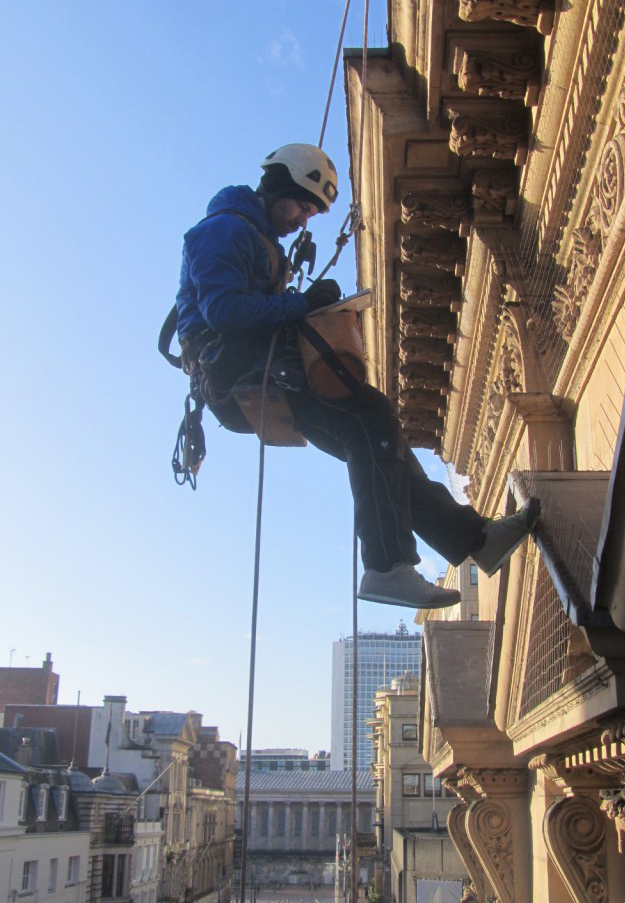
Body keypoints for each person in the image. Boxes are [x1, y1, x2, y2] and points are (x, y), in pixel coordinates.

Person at [176, 143, 540, 608]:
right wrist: (300, 304)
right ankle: (388, 567)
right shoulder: (224, 229)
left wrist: (303, 302)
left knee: (379, 442)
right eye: (302, 206)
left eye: (311, 213)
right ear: (280, 186)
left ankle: (475, 541)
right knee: (370, 419)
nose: (303, 220)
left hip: (259, 366)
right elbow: (223, 311)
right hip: (238, 368)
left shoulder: (254, 235)